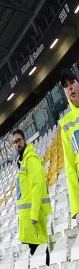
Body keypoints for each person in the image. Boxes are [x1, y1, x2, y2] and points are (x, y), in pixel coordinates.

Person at [14, 129, 51, 263]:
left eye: (18, 140)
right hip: (27, 220)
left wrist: (34, 214)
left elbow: (37, 186)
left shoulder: (31, 159)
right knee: (36, 262)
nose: (17, 144)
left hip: (34, 219)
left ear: (24, 140)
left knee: (42, 258)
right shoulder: (23, 161)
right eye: (14, 142)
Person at [60, 73, 79, 220]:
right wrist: (76, 208)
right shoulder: (66, 124)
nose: (70, 87)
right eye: (65, 86)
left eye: (72, 82)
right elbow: (70, 166)